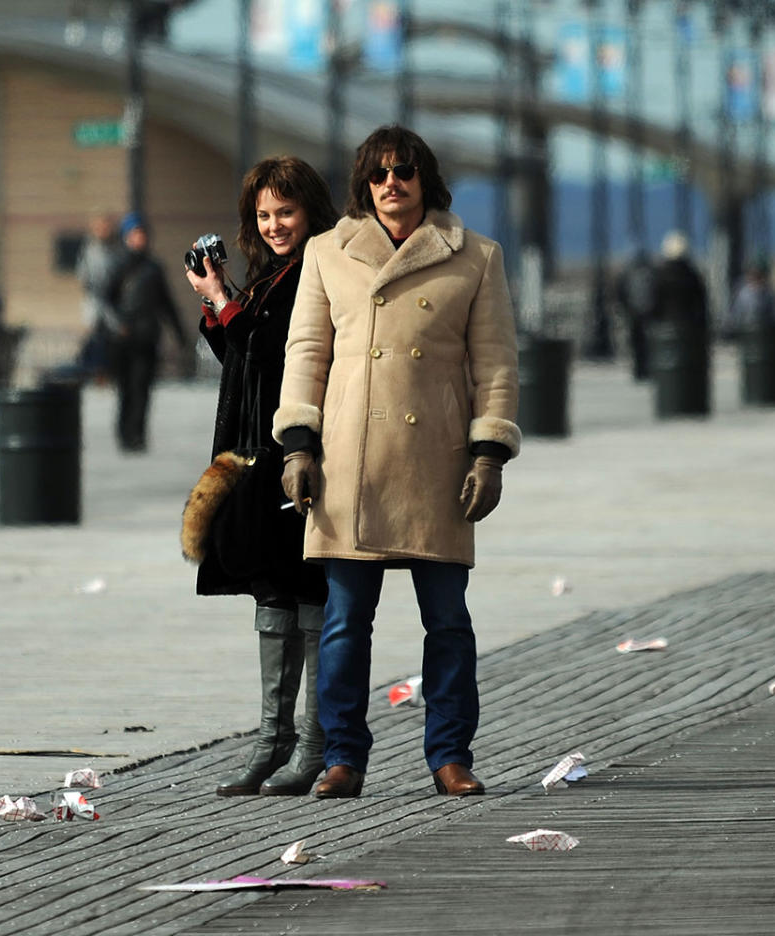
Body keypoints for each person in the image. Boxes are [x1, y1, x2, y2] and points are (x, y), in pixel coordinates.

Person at [273, 125, 521, 800]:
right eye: (380, 172)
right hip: (348, 465)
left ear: (425, 180)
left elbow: (495, 364)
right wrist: (297, 445)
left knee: (448, 623)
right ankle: (343, 758)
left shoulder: (476, 257)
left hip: (436, 464)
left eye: (405, 171)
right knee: (347, 624)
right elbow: (306, 356)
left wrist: (489, 452)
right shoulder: (327, 253)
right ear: (364, 183)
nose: (392, 183)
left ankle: (449, 755)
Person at [185, 156, 338, 797]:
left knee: (306, 590)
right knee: (270, 588)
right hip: (257, 456)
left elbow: (279, 358)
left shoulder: (319, 270)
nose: (274, 224)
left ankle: (313, 745)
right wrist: (218, 299)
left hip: (300, 454)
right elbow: (241, 361)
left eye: (286, 212)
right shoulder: (272, 273)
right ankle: (272, 741)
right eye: (264, 214)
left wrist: (225, 301)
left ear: (310, 212)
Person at [106, 213, 187, 452]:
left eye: (142, 234)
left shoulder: (154, 268)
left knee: (143, 388)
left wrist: (179, 332)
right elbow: (106, 300)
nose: (139, 239)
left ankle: (138, 436)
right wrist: (118, 323)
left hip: (147, 336)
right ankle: (124, 434)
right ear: (126, 237)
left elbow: (166, 302)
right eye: (135, 234)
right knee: (125, 389)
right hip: (122, 338)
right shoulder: (118, 265)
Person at [75, 213, 121, 380]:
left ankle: (108, 372)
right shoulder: (90, 250)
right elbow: (83, 275)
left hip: (112, 303)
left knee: (111, 339)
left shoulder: (116, 250)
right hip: (94, 302)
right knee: (94, 338)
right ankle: (94, 371)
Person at [652, 230, 709, 329]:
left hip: (663, 333)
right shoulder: (692, 277)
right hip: (688, 333)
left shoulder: (659, 277)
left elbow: (653, 307)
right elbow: (701, 306)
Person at [615, 248, 657, 379]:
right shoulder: (651, 274)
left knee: (636, 343)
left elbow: (620, 292)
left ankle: (638, 370)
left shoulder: (628, 274)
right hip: (648, 313)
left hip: (633, 313)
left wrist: (625, 309)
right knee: (647, 342)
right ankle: (646, 368)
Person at [725, 257, 775, 338]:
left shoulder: (768, 293)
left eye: (759, 274)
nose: (756, 276)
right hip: (745, 334)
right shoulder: (743, 293)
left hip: (763, 335)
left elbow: (773, 315)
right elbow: (735, 315)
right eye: (754, 273)